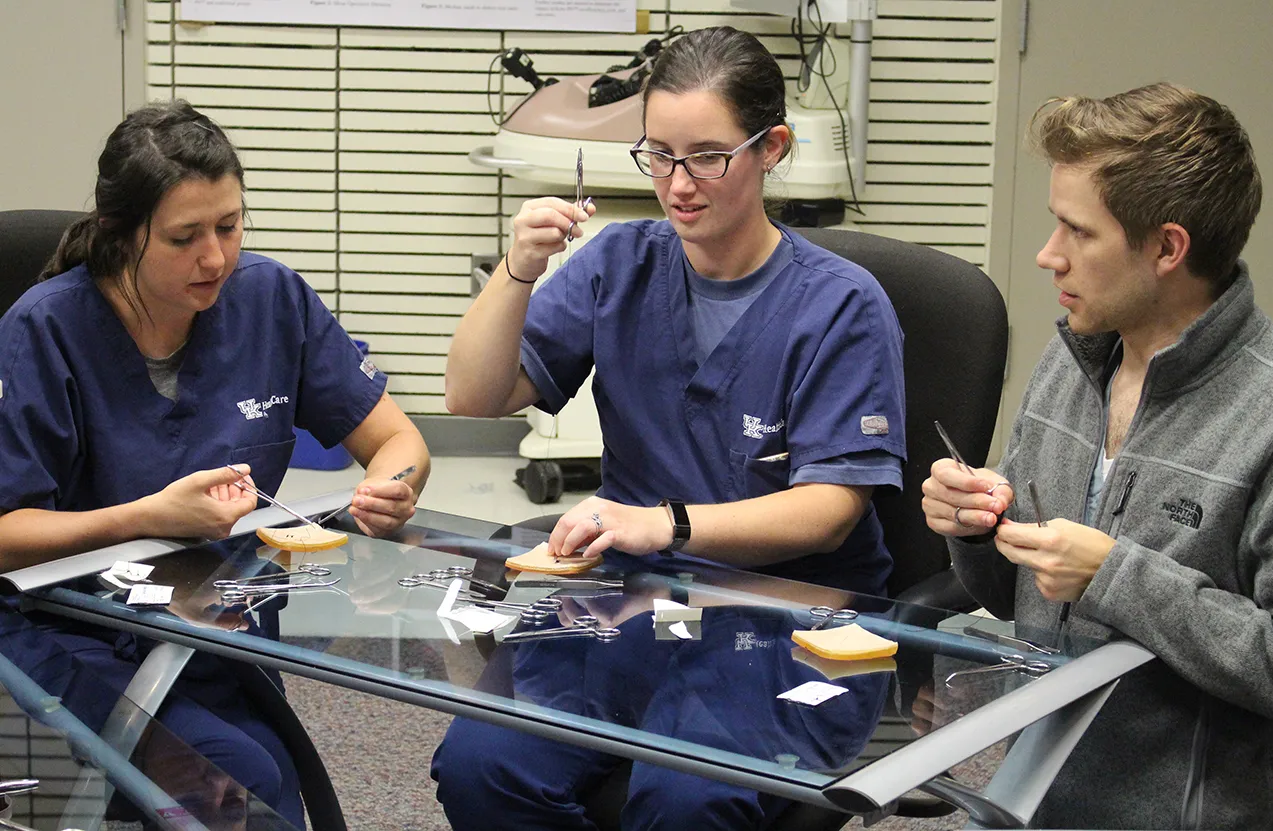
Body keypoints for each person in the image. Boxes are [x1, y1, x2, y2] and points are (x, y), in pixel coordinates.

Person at [434, 25, 905, 830]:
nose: (679, 185)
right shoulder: (621, 264)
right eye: (659, 155)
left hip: (781, 618)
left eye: (708, 157)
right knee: (482, 769)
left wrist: (663, 522)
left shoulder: (841, 306)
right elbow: (473, 397)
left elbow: (830, 511)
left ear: (772, 148)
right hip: (632, 602)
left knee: (684, 801)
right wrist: (519, 270)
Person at [0, 100, 431, 826]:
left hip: (212, 625)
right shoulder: (43, 332)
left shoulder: (270, 299)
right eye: (183, 237)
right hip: (67, 631)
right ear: (118, 235)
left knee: (282, 798)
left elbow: (401, 443)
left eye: (229, 227)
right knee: (236, 783)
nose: (215, 258)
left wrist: (391, 488)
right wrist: (147, 517)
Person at [922, 82, 1273, 828]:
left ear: (1166, 247)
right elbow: (1013, 596)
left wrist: (1115, 576)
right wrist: (973, 526)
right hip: (1023, 796)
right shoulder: (1075, 363)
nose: (1047, 255)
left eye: (1077, 232)